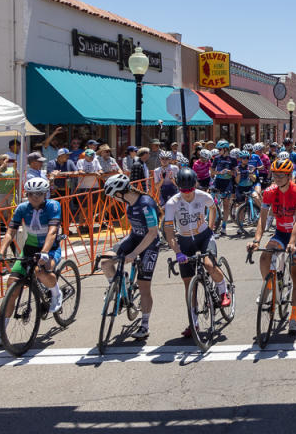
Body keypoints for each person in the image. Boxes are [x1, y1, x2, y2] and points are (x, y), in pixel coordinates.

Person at [0, 178, 63, 350]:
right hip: (29, 249)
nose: (35, 197)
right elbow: (11, 231)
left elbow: (53, 231)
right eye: (31, 194)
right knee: (12, 285)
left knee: (41, 272)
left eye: (39, 194)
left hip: (50, 247)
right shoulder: (22, 208)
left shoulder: (53, 206)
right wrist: (1, 252)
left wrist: (44, 252)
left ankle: (56, 293)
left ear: (45, 194)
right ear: (26, 194)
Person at [162, 167, 231, 339]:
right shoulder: (172, 203)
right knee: (188, 284)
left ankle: (223, 290)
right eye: (183, 190)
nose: (187, 193)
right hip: (184, 241)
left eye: (190, 189)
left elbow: (213, 208)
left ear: (195, 185)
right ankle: (194, 322)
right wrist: (177, 251)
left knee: (208, 264)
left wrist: (211, 226)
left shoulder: (203, 196)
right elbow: (169, 231)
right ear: (178, 187)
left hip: (204, 236)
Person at [249, 157, 296, 336]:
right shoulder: (268, 192)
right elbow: (263, 218)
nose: (277, 178)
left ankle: (293, 318)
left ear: (289, 175)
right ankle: (270, 289)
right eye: (275, 174)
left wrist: (292, 243)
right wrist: (256, 240)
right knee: (265, 256)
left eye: (282, 175)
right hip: (281, 231)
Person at [99, 174, 160, 339]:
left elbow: (152, 233)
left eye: (113, 196)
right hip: (134, 237)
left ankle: (145, 325)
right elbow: (134, 232)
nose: (114, 200)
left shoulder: (145, 204)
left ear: (119, 193)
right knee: (105, 261)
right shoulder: (128, 204)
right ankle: (119, 283)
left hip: (150, 243)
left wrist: (134, 253)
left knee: (143, 286)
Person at [210, 140, 237, 234]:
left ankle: (224, 226)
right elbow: (212, 172)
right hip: (218, 181)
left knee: (226, 205)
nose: (218, 151)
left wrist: (230, 172)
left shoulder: (233, 159)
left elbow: (236, 173)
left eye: (220, 149)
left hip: (228, 183)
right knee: (211, 201)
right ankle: (212, 223)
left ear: (225, 149)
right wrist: (219, 172)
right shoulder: (217, 158)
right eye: (218, 149)